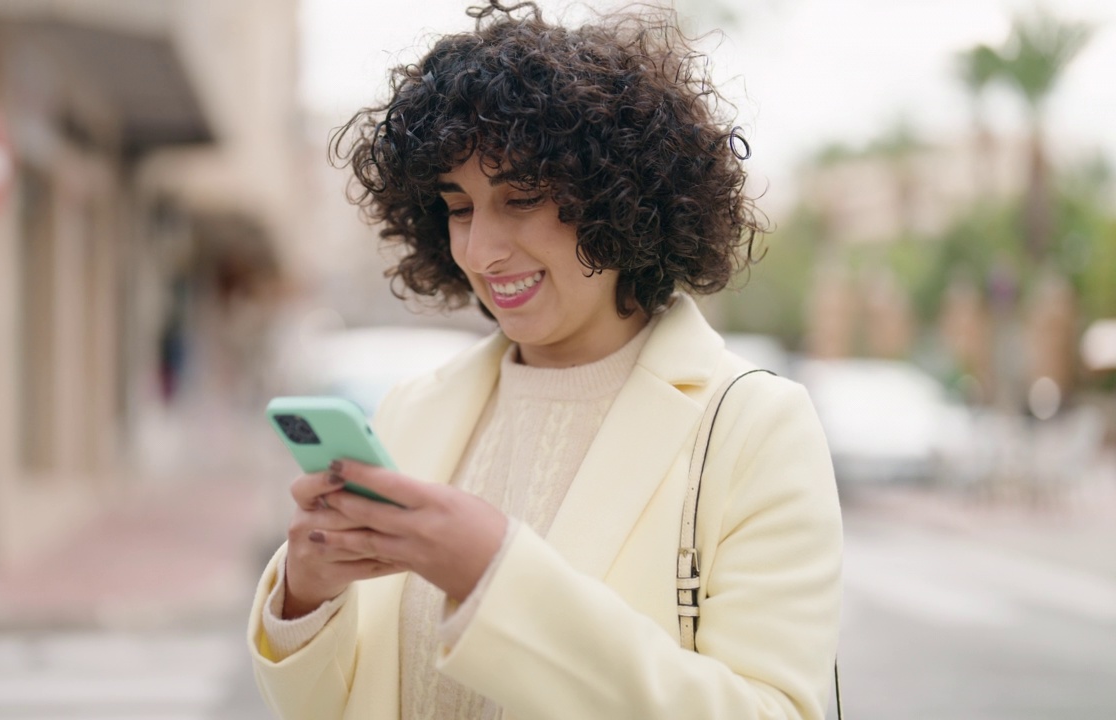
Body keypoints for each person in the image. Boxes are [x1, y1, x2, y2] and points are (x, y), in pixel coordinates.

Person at [247, 2, 842, 718]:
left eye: (521, 198)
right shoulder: (416, 407)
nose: (480, 249)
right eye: (458, 207)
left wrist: (495, 577)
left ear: (621, 201)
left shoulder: (754, 426)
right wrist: (306, 599)